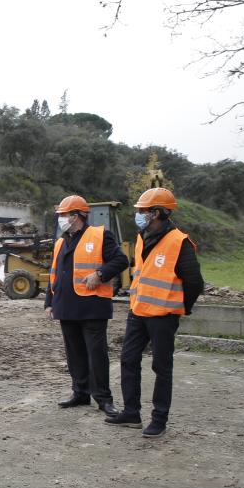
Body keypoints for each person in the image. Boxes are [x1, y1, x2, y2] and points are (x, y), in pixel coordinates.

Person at [106, 188, 203, 438]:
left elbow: (194, 282)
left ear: (157, 213)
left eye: (142, 211)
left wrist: (183, 308)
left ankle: (159, 419)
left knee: (162, 367)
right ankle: (131, 412)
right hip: (138, 311)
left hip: (163, 315)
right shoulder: (141, 237)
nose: (138, 214)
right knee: (128, 360)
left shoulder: (179, 242)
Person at [45, 195, 129, 417]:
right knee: (75, 353)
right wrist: (49, 302)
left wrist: (100, 274)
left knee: (96, 354)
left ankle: (103, 399)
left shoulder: (101, 235)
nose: (61, 219)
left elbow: (121, 261)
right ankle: (80, 392)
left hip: (92, 306)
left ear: (77, 216)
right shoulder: (61, 242)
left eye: (64, 215)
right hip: (66, 305)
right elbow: (54, 274)